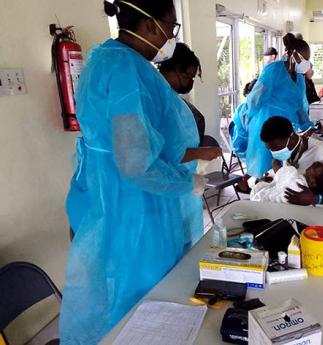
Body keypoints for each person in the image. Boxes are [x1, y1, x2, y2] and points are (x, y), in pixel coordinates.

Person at [60, 1, 221, 344]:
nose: (170, 37)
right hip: (133, 198)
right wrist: (185, 181)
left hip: (107, 188)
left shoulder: (104, 59)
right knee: (144, 285)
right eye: (171, 27)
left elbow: (139, 140)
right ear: (149, 25)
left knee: (116, 274)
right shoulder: (125, 70)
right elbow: (135, 162)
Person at [231, 33, 313, 191]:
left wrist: (307, 125)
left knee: (281, 156)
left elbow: (300, 106)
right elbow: (256, 96)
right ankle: (253, 184)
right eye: (304, 59)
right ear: (293, 55)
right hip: (266, 121)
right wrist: (248, 117)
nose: (306, 64)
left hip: (285, 124)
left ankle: (276, 183)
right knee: (263, 155)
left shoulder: (299, 78)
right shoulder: (274, 69)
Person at [159, 42, 219, 147]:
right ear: (177, 69)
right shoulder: (156, 99)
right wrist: (198, 153)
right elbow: (168, 151)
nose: (190, 82)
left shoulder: (171, 97)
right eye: (189, 76)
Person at [250, 162, 323, 204]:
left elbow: (276, 165)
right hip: (267, 209)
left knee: (260, 182)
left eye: (318, 167)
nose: (316, 163)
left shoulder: (291, 173)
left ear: (313, 183)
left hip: (257, 199)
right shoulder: (307, 197)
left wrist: (276, 158)